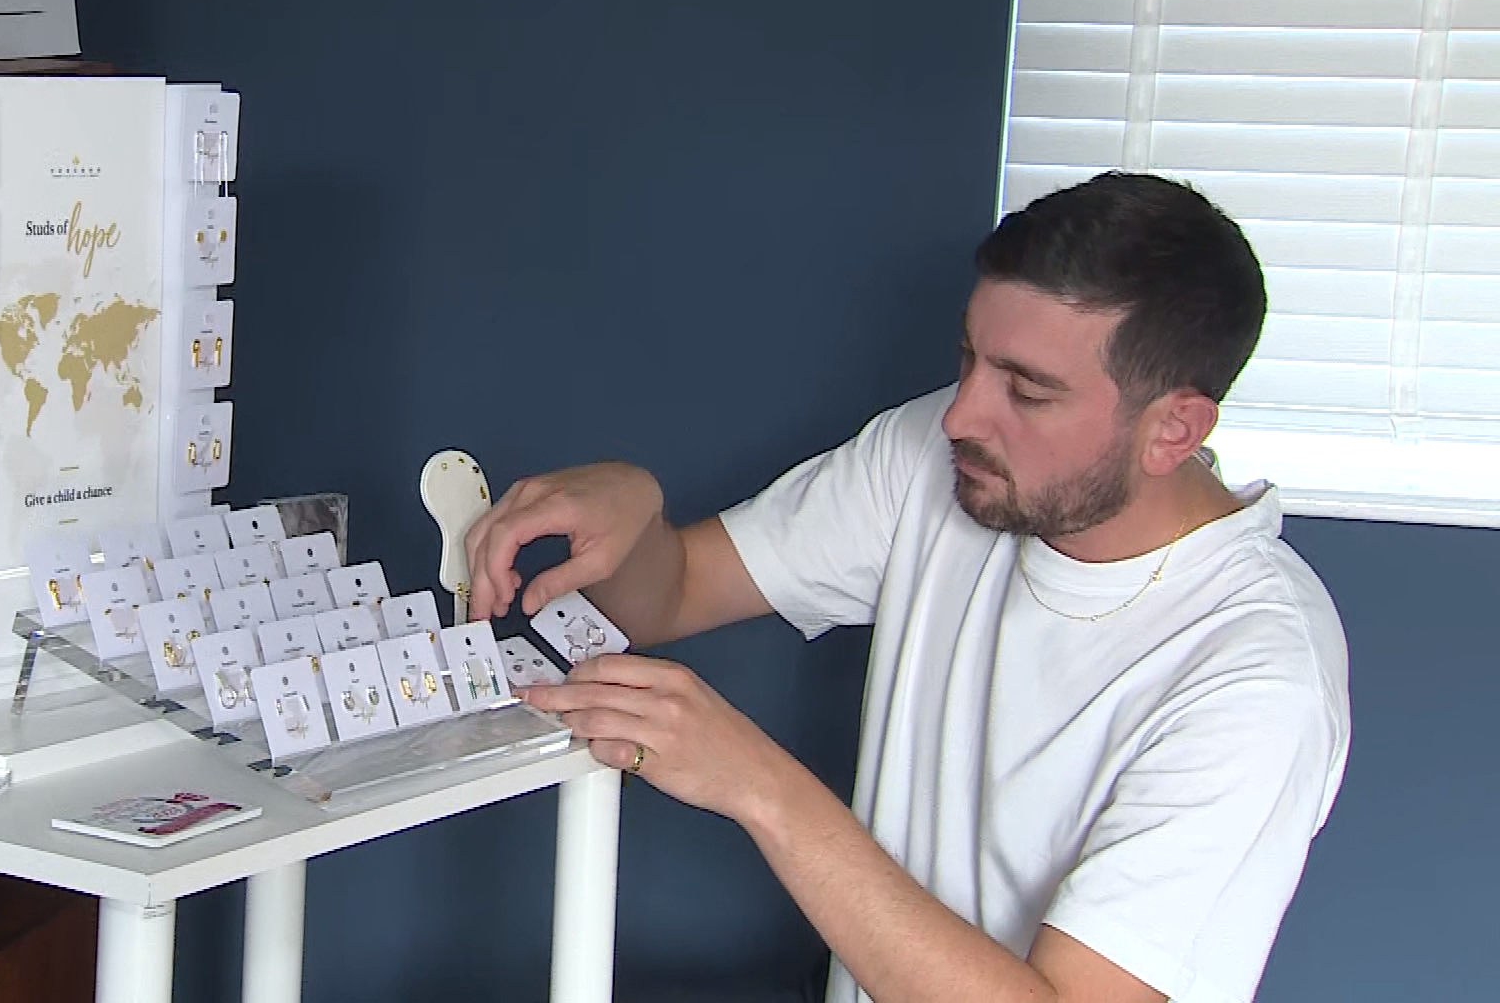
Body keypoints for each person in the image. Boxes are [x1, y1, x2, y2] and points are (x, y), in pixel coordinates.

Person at [464, 172, 1351, 1003]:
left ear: (1174, 431)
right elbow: (673, 591)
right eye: (970, 357)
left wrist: (760, 787)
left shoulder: (1258, 679)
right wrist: (635, 512)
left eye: (1027, 391)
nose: (962, 414)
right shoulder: (942, 454)